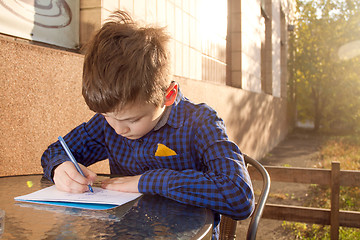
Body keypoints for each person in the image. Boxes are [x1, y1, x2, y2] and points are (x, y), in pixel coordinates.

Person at [41, 10, 254, 238]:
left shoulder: (200, 122)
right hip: (125, 232)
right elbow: (56, 151)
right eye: (106, 116)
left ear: (168, 95)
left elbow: (239, 197)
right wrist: (59, 167)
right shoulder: (108, 123)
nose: (118, 129)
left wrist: (149, 181)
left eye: (132, 120)